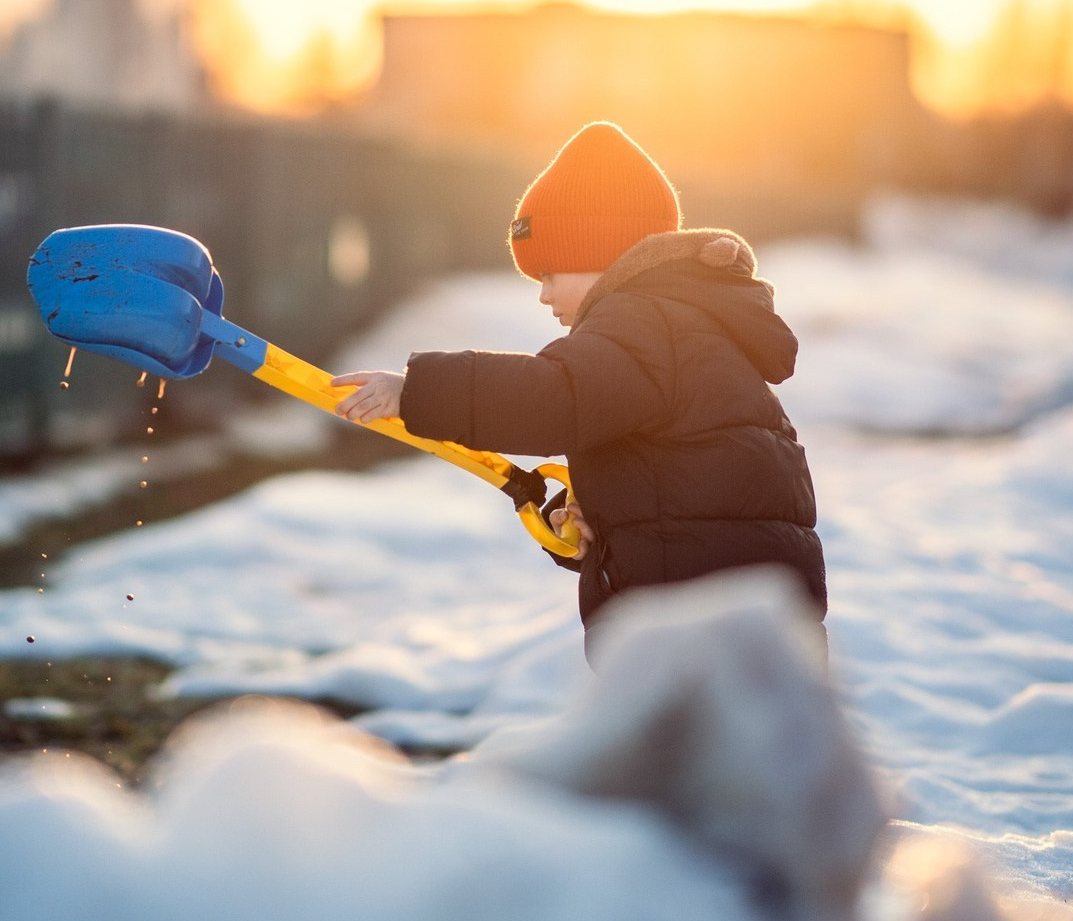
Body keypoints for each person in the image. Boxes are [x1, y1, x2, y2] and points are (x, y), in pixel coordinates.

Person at [332, 120, 826, 655]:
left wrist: (419, 391)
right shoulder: (678, 325)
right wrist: (591, 516)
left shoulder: (643, 320)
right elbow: (673, 481)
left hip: (698, 629)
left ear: (600, 254)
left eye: (550, 273)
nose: (544, 295)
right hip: (730, 615)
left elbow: (553, 398)